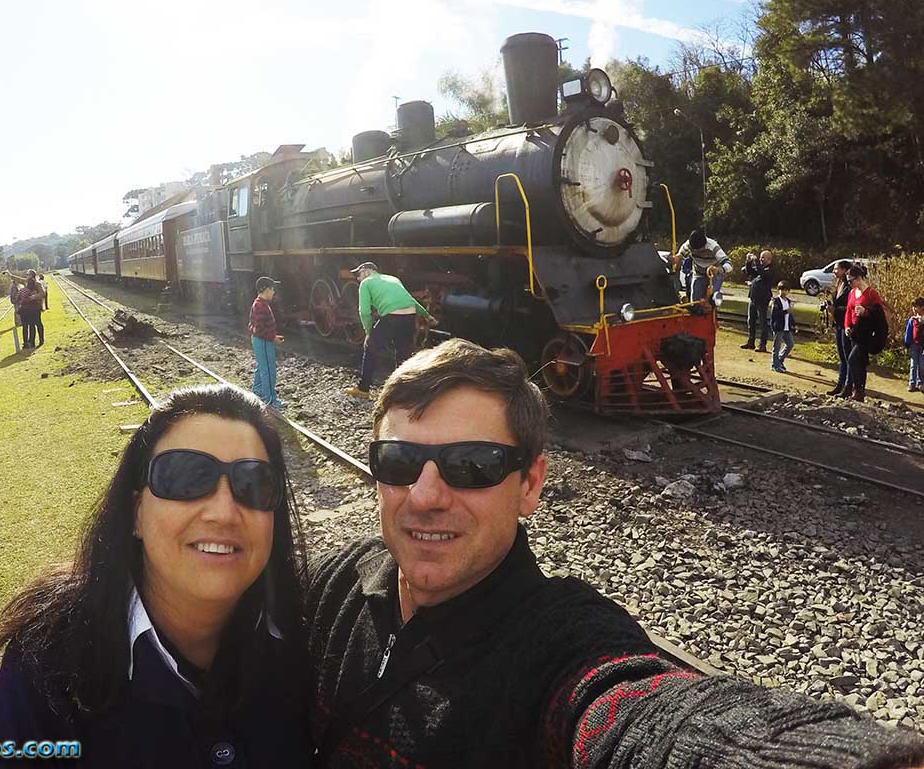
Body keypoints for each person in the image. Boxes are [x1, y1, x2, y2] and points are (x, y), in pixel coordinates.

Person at [307, 339, 924, 768]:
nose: (426, 495)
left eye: (473, 465)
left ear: (530, 484)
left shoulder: (559, 647)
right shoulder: (338, 583)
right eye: (399, 463)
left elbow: (642, 713)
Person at [0, 385, 311, 768]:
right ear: (136, 512)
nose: (223, 511)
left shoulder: (306, 637)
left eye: (253, 483)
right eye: (186, 477)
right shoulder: (44, 666)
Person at [343, 262, 437, 400]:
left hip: (392, 316)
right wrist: (427, 316)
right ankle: (404, 391)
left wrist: (369, 332)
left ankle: (363, 389)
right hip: (409, 316)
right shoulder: (394, 279)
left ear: (367, 271)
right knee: (402, 353)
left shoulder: (366, 283)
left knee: (370, 348)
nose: (358, 279)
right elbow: (411, 300)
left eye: (358, 274)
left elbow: (364, 311)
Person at [842, 264, 886, 402]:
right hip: (854, 330)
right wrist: (847, 326)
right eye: (847, 281)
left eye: (851, 280)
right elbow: (849, 311)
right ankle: (856, 391)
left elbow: (879, 314)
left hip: (866, 332)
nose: (849, 284)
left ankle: (858, 389)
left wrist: (866, 312)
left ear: (859, 278)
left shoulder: (872, 293)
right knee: (858, 362)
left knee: (853, 359)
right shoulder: (851, 292)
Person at [248, 276, 284, 410]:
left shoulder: (260, 304)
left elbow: (257, 328)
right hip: (263, 341)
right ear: (265, 290)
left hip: (262, 340)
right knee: (268, 370)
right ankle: (270, 401)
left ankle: (257, 391)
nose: (274, 292)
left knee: (261, 367)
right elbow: (259, 329)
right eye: (272, 289)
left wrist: (272, 336)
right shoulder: (260, 306)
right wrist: (272, 338)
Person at [675, 228, 732, 303]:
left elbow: (729, 265)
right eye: (695, 250)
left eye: (700, 250)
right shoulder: (688, 245)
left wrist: (718, 269)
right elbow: (679, 256)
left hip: (714, 274)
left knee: (712, 298)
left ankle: (712, 305)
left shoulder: (713, 247)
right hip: (698, 273)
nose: (698, 252)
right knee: (695, 301)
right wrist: (675, 259)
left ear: (704, 245)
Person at [827, 260, 854, 395]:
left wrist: (835, 310)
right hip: (838, 323)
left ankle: (848, 386)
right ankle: (840, 384)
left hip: (846, 323)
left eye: (836, 269)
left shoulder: (849, 286)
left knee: (847, 356)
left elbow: (850, 307)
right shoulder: (839, 284)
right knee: (842, 357)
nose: (834, 271)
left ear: (844, 270)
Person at [743, 249, 776, 352]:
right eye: (760, 257)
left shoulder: (770, 270)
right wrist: (748, 261)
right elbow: (749, 271)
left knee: (762, 323)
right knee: (750, 321)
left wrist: (756, 261)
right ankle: (751, 342)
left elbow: (763, 274)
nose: (761, 259)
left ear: (769, 260)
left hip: (762, 300)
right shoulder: (759, 268)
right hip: (753, 298)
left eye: (763, 257)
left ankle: (762, 344)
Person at [770, 282, 796, 373]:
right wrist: (785, 311)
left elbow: (790, 315)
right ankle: (774, 365)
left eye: (785, 290)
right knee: (776, 347)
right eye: (781, 290)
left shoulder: (788, 302)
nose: (783, 292)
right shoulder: (775, 301)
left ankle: (780, 360)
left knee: (790, 344)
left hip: (786, 327)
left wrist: (794, 324)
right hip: (778, 327)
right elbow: (775, 315)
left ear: (788, 291)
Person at [18, 277, 44, 348]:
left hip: (24, 311)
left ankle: (26, 343)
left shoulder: (22, 290)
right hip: (33, 310)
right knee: (33, 326)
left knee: (25, 327)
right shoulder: (33, 292)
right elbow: (40, 297)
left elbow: (17, 299)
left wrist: (21, 301)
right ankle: (33, 342)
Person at [907, 298, 924, 393]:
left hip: (923, 346)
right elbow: (909, 332)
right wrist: (907, 342)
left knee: (922, 365)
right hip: (914, 345)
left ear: (922, 307)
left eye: (916, 306)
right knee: (913, 365)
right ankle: (912, 383)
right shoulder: (912, 320)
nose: (914, 308)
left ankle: (921, 383)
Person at [8, 275, 22, 354]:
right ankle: (18, 323)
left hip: (16, 300)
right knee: (17, 312)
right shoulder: (14, 287)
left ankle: (19, 322)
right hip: (16, 301)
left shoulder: (15, 286)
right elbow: (14, 295)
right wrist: (17, 299)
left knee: (17, 311)